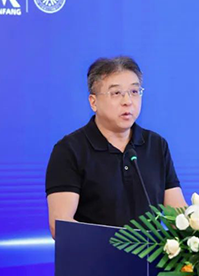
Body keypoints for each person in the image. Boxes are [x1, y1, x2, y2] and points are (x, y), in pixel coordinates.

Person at [45, 56, 187, 238]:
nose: (127, 101)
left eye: (134, 91)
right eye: (116, 93)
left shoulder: (156, 145)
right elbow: (61, 225)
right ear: (93, 102)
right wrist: (115, 247)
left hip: (150, 255)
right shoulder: (69, 150)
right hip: (94, 256)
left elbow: (177, 218)